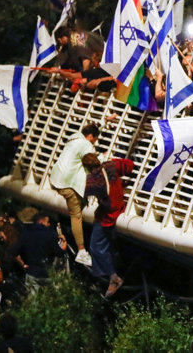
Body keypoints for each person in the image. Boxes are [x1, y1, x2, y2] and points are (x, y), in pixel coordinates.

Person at [83, 152, 135, 298]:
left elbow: (82, 192)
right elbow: (130, 165)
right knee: (110, 246)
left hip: (108, 215)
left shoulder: (92, 181)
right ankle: (113, 273)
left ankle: (113, 278)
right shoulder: (111, 166)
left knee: (96, 246)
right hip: (120, 207)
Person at [49, 123, 99, 266]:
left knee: (79, 206)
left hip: (56, 179)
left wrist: (106, 122)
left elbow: (90, 129)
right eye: (94, 140)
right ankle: (81, 251)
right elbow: (91, 161)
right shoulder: (86, 144)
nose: (94, 143)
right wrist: (102, 158)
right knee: (76, 216)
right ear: (90, 137)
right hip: (68, 183)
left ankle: (77, 241)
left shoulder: (74, 139)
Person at [14, 212, 68, 292]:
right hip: (46, 273)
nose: (49, 224)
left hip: (31, 271)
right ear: (41, 222)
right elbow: (59, 253)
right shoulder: (50, 234)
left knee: (33, 301)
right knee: (49, 299)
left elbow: (15, 252)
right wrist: (64, 243)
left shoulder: (26, 234)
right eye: (47, 222)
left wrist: (23, 265)